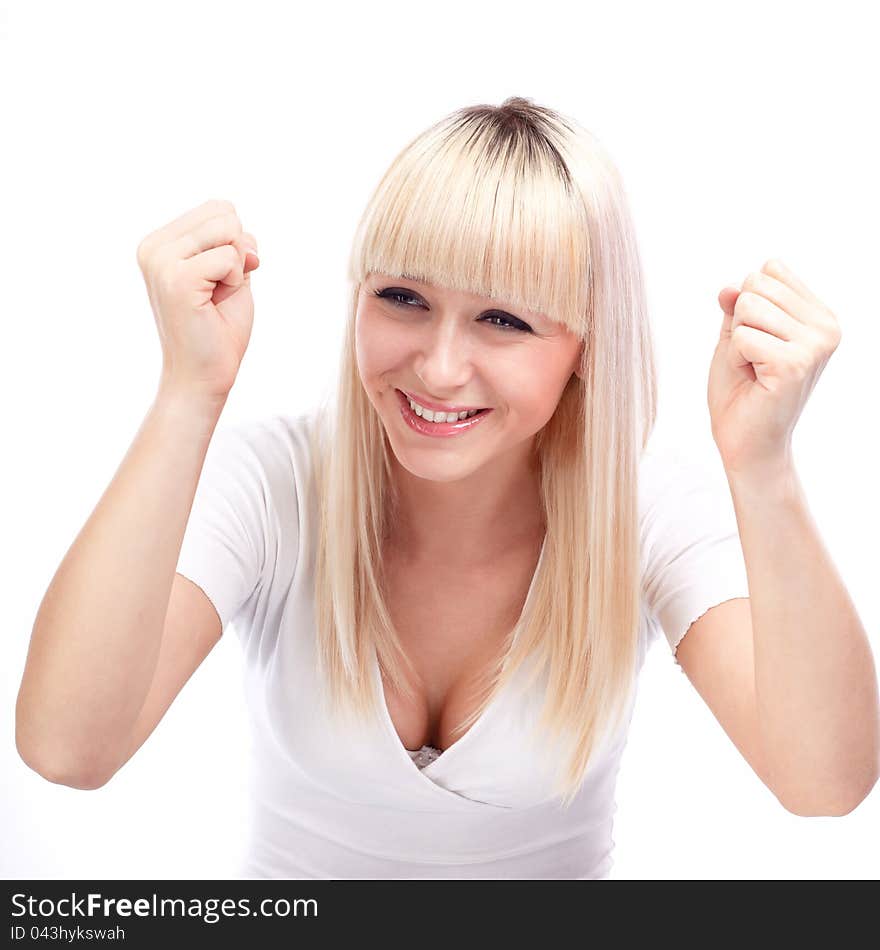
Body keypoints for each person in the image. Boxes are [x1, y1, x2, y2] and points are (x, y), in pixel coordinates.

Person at [17, 96, 874, 880]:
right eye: (401, 297)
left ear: (587, 343)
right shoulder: (275, 483)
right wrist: (187, 391)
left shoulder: (644, 506)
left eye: (504, 319)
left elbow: (825, 783)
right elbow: (66, 748)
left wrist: (764, 468)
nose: (438, 366)